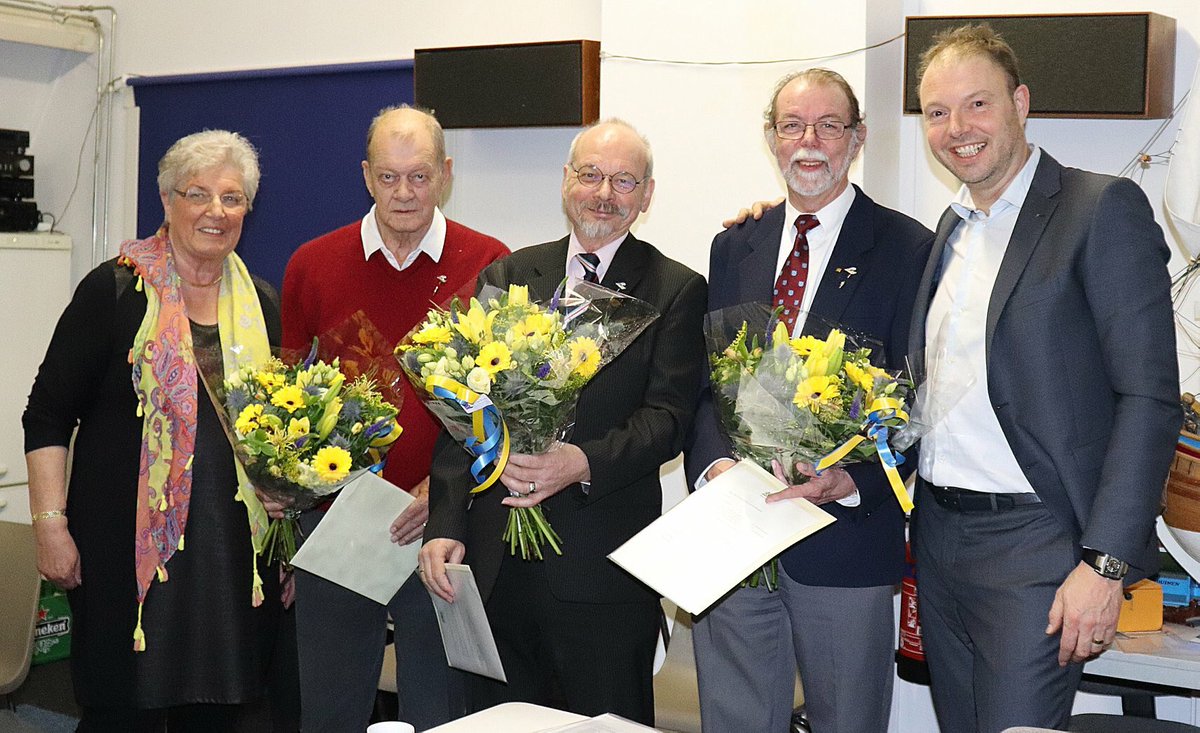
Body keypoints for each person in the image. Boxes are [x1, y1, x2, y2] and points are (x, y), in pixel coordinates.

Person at [909, 24, 1180, 732]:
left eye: (977, 105)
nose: (957, 128)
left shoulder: (1099, 209)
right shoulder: (951, 227)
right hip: (938, 537)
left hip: (1035, 547)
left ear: (1020, 103)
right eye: (937, 112)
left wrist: (1107, 563)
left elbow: (1148, 399)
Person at [418, 118, 707, 726]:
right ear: (566, 183)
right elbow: (463, 413)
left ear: (647, 196)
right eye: (590, 175)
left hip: (602, 570)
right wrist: (444, 523)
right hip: (496, 565)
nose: (604, 192)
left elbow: (670, 419)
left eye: (623, 180)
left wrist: (581, 463)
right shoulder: (510, 274)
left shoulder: (675, 289)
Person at [684, 69, 933, 733]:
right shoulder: (736, 244)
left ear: (858, 139)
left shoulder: (910, 248)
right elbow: (711, 383)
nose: (810, 140)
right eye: (793, 125)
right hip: (737, 541)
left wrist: (851, 480)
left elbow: (918, 400)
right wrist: (713, 468)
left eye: (829, 125)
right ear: (772, 139)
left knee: (846, 721)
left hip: (844, 543)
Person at [23, 130, 285, 731]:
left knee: (223, 712)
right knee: (125, 711)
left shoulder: (261, 304)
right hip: (122, 556)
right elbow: (47, 414)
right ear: (167, 201)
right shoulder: (113, 292)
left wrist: (288, 527)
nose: (216, 212)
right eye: (199, 194)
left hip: (231, 562)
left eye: (233, 197)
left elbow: (277, 434)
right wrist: (49, 524)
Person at [281, 104, 509, 732]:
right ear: (365, 175)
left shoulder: (490, 263)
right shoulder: (311, 264)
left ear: (446, 174)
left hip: (441, 526)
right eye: (388, 177)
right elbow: (287, 400)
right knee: (330, 709)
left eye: (420, 176)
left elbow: (500, 410)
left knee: (439, 710)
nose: (404, 193)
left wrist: (443, 490)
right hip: (338, 522)